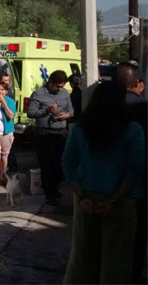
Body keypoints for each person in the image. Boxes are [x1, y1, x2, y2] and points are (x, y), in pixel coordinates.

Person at [62, 81, 145, 284]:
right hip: (121, 202)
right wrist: (113, 200)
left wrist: (81, 196)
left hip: (86, 200)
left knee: (82, 257)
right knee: (116, 261)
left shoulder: (81, 129)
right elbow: (135, 169)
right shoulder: (133, 130)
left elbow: (68, 162)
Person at [117, 63, 148, 284]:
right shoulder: (144, 109)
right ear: (138, 84)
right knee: (137, 238)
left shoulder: (102, 109)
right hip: (139, 185)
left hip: (105, 186)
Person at [27, 70, 73, 206]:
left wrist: (67, 115)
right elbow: (31, 113)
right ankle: (49, 193)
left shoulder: (64, 93)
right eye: (57, 86)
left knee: (61, 163)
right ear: (51, 83)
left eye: (62, 86)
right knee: (47, 165)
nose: (60, 89)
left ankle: (55, 187)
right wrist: (46, 111)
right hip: (45, 133)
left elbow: (71, 109)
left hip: (61, 132)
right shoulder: (39, 94)